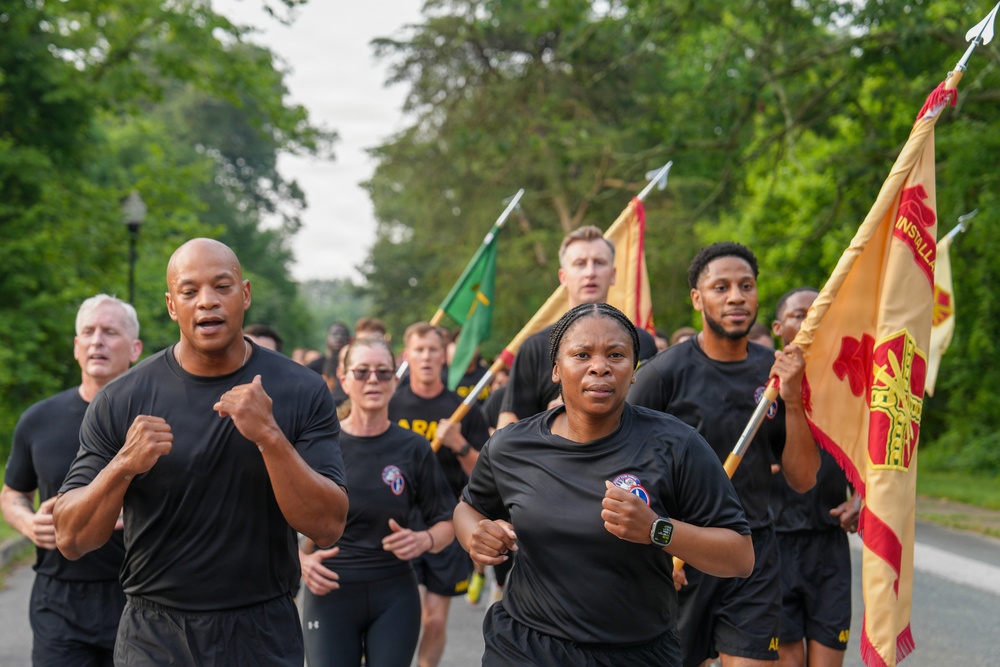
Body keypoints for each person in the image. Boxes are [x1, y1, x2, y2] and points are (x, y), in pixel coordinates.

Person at [53, 238, 349, 665]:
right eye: (190, 292)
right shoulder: (123, 399)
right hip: (155, 633)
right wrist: (122, 466)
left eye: (222, 287)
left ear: (244, 294)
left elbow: (327, 526)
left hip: (261, 628)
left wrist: (270, 436)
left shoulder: (299, 390)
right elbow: (71, 538)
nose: (207, 302)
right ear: (173, 305)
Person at [455, 302, 754, 666]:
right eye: (582, 354)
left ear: (633, 372)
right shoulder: (511, 446)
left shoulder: (677, 445)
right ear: (555, 370)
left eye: (616, 355)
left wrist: (657, 530)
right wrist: (475, 534)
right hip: (526, 648)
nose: (600, 366)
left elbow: (739, 556)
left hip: (636, 652)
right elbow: (469, 507)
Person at [628, 241, 820, 667]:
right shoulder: (662, 374)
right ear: (698, 298)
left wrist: (791, 400)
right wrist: (658, 547)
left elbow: (803, 479)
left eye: (746, 286)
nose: (736, 296)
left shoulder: (775, 372)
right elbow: (626, 471)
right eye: (721, 287)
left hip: (750, 555)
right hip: (678, 555)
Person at [1, 294, 142, 666]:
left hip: (139, 596)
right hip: (59, 599)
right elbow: (12, 493)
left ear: (135, 349)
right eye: (88, 332)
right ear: (77, 347)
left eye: (110, 332)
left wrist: (124, 517)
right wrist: (30, 523)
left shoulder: (155, 422)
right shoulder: (38, 419)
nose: (97, 340)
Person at [299, 336, 456, 666]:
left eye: (383, 372)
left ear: (395, 380)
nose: (373, 380)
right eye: (362, 372)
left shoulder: (414, 447)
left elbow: (447, 520)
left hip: (394, 594)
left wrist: (424, 539)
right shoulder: (319, 446)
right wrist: (300, 561)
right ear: (344, 379)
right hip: (330, 591)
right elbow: (275, 517)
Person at [388, 322, 491, 667]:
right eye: (419, 350)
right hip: (398, 520)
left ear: (444, 354)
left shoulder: (463, 410)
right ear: (407, 355)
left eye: (433, 349)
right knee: (407, 616)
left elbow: (486, 475)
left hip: (447, 519)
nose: (427, 357)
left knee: (434, 621)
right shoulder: (391, 404)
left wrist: (459, 444)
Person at [770, 287, 860, 667]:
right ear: (779, 327)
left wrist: (862, 497)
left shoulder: (847, 382)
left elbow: (872, 454)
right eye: (798, 314)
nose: (808, 321)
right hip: (774, 545)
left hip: (829, 545)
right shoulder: (762, 387)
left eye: (816, 313)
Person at [498, 225, 658, 428]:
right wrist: (550, 423)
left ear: (613, 274)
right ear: (563, 277)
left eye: (599, 263)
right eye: (580, 264)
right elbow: (508, 427)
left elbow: (655, 416)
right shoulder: (535, 347)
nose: (590, 272)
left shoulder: (642, 342)